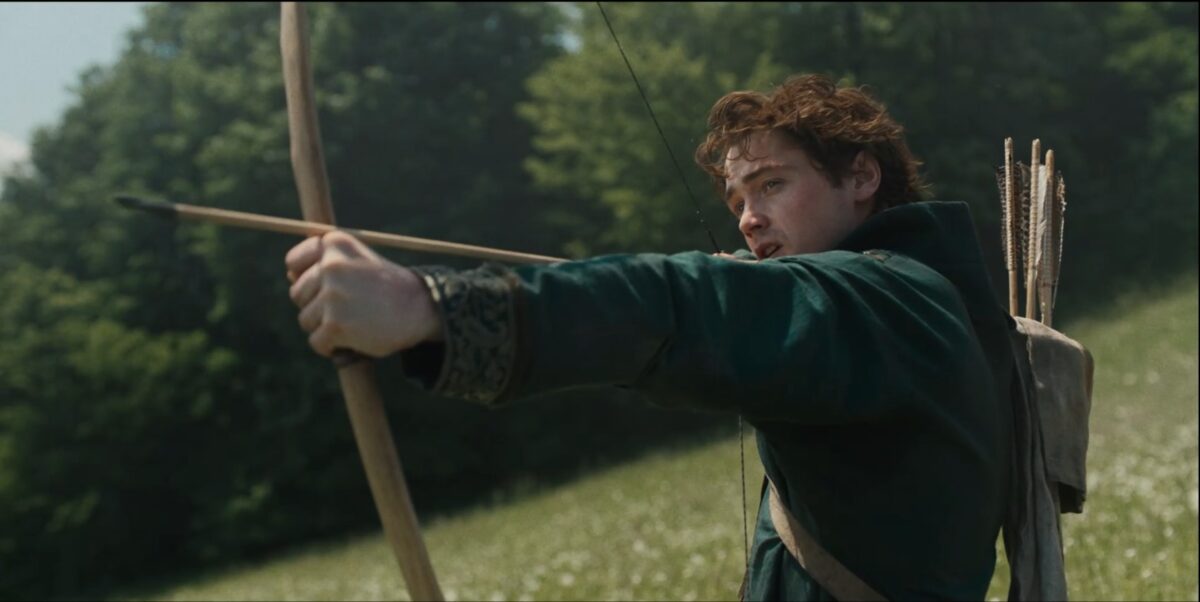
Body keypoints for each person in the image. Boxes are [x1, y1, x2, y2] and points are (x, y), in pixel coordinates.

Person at [284, 74, 1014, 600]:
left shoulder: (891, 301)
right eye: (737, 199)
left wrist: (427, 306)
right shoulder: (912, 300)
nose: (747, 218)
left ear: (861, 178)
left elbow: (679, 306)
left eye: (771, 184)